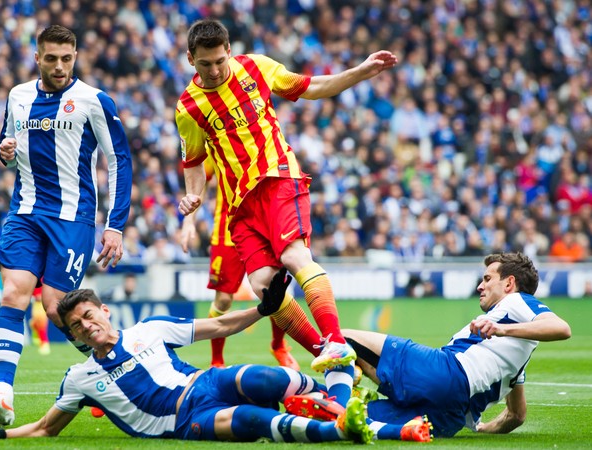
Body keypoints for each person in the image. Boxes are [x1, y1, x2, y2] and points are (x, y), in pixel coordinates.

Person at [176, 19, 398, 374]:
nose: (216, 70)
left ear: (229, 51)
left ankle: (336, 341)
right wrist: (193, 197)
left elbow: (313, 87)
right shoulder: (188, 107)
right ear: (191, 59)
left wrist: (360, 71)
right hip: (239, 208)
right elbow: (193, 162)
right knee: (265, 287)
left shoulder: (256, 68)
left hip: (279, 179)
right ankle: (333, 360)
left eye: (220, 60)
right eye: (206, 64)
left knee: (295, 255)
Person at [0, 272, 380, 444]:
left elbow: (216, 327)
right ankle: (339, 431)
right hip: (180, 420)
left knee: (266, 379)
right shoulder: (80, 378)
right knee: (248, 421)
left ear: (105, 311)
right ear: (72, 335)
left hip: (205, 383)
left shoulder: (149, 329)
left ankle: (340, 401)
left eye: (89, 316)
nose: (87, 326)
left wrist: (263, 310)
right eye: (77, 327)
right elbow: (46, 429)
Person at [0, 25, 133, 427]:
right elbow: (8, 150)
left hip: (72, 218)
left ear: (75, 56)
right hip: (25, 212)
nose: (59, 66)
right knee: (13, 293)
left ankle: (119, 374)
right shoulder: (17, 95)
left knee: (58, 309)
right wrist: (4, 152)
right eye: (51, 58)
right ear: (37, 57)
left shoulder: (94, 101)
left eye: (67, 58)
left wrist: (114, 225)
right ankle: (3, 396)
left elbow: (119, 161)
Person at [286, 252, 572, 440]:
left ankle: (285, 314)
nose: (480, 286)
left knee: (342, 338)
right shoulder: (515, 358)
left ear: (510, 283)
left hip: (444, 373)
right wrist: (483, 427)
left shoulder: (516, 303)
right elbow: (516, 415)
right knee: (346, 422)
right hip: (449, 419)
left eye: (487, 279)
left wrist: (500, 327)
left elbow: (562, 328)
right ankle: (337, 395)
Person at [180, 162, 298, 370]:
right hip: (226, 230)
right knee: (223, 300)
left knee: (273, 288)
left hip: (262, 226)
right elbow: (199, 183)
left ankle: (278, 346)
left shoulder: (263, 138)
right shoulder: (214, 142)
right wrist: (189, 221)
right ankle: (217, 361)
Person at [29, 286, 50, 355]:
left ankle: (44, 343)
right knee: (36, 321)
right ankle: (34, 328)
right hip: (36, 303)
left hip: (44, 302)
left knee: (42, 322)